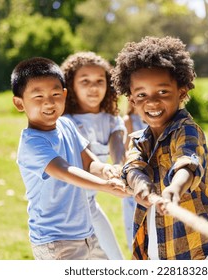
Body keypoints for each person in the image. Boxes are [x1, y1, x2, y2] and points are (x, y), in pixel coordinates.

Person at [111, 36, 208, 260]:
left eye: (163, 92)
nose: (153, 102)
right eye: (142, 95)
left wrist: (175, 188)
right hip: (156, 247)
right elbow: (132, 167)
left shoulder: (187, 130)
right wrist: (141, 185)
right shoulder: (138, 139)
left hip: (197, 249)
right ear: (132, 100)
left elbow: (188, 161)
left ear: (182, 92)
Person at [11, 57, 128, 260]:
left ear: (64, 95)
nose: (49, 102)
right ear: (19, 103)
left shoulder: (67, 126)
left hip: (85, 233)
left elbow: (89, 162)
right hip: (55, 241)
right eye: (38, 96)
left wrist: (106, 170)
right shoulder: (32, 143)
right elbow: (65, 171)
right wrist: (104, 185)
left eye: (56, 94)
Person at [60, 51, 129, 260]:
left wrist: (118, 167)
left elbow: (118, 148)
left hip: (90, 206)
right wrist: (107, 173)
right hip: (63, 213)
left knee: (116, 261)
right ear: (71, 86)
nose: (94, 87)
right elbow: (85, 162)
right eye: (85, 81)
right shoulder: (64, 121)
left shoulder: (110, 120)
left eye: (100, 80)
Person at [122, 102, 147, 251]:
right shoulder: (129, 120)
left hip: (153, 180)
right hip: (135, 177)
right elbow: (126, 150)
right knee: (133, 226)